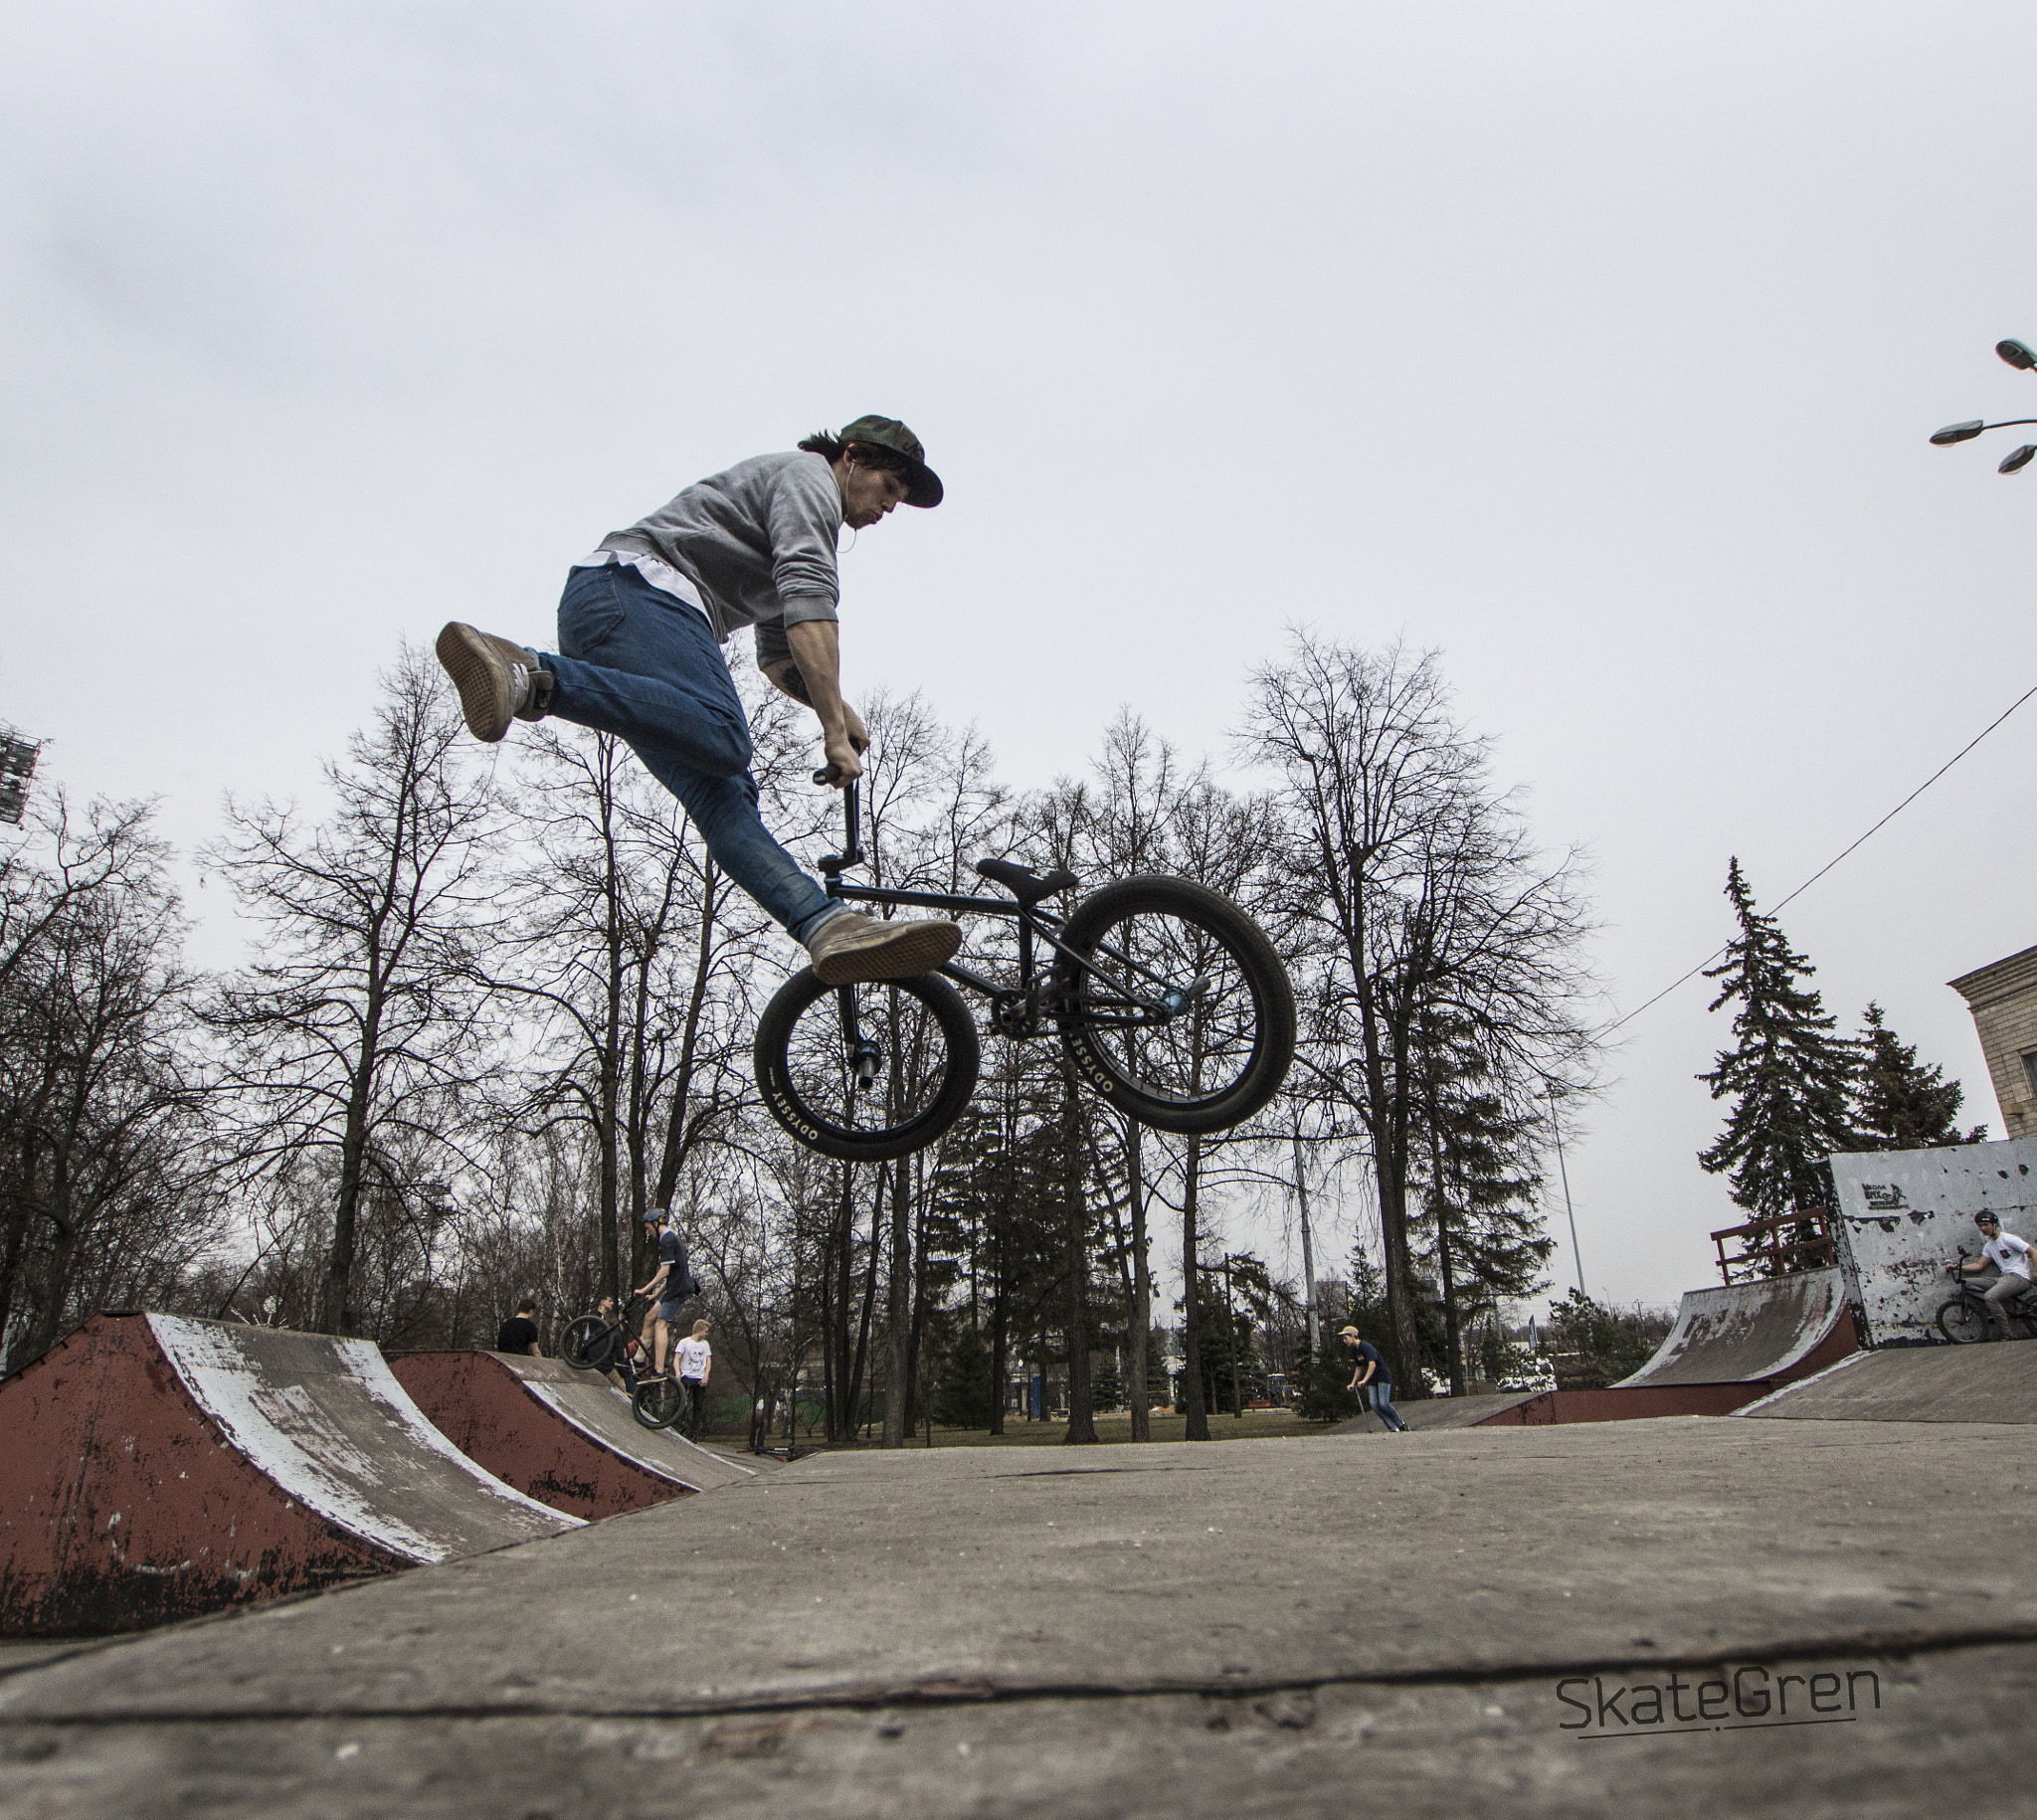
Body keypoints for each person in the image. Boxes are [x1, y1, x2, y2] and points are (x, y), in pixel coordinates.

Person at [434, 419, 961, 988]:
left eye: (900, 501)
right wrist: (833, 728)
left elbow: (781, 654)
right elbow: (811, 606)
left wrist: (834, 708)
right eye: (889, 488)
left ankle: (825, 925)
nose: (890, 507)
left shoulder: (798, 511)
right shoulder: (809, 480)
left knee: (723, 792)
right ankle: (533, 676)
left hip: (619, 613)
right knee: (725, 736)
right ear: (853, 456)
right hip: (637, 593)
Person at [1949, 1211, 2036, 1335]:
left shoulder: (2009, 1239)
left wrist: (2036, 1274)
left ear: (1995, 1224)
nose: (1983, 1228)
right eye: (1980, 1225)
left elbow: (2033, 1252)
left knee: (1990, 1297)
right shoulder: (1989, 1246)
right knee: (1965, 1283)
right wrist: (1958, 1267)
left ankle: (2006, 1334)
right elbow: (1979, 1266)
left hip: (2019, 1278)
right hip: (2004, 1278)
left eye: (1986, 1224)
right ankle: (1999, 1310)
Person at [634, 1211, 695, 1378]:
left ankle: (658, 1369)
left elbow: (664, 1271)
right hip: (673, 1287)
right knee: (649, 1317)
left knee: (661, 1325)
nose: (647, 1232)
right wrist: (655, 1296)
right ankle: (639, 1358)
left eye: (648, 1228)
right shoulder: (671, 1239)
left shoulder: (667, 1240)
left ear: (655, 1223)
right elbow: (671, 1274)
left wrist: (644, 1289)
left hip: (678, 1290)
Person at [1339, 1324, 1408, 1432]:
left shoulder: (1366, 1346)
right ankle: (1392, 1427)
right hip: (1372, 1378)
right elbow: (1359, 1368)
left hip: (1382, 1375)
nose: (1344, 1341)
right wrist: (1353, 1383)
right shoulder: (1355, 1350)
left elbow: (1372, 1365)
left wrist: (1364, 1381)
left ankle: (1401, 1424)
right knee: (1374, 1404)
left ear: (1353, 1336)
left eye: (1345, 1338)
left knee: (1384, 1404)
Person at [672, 1319, 713, 1436]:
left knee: (698, 1406)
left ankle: (694, 1431)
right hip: (686, 1375)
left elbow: (708, 1361)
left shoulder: (705, 1345)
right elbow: (677, 1358)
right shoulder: (684, 1342)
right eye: (705, 1331)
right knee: (681, 1401)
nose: (706, 1334)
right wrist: (677, 1372)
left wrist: (706, 1376)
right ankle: (676, 1424)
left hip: (699, 1378)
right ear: (699, 1331)